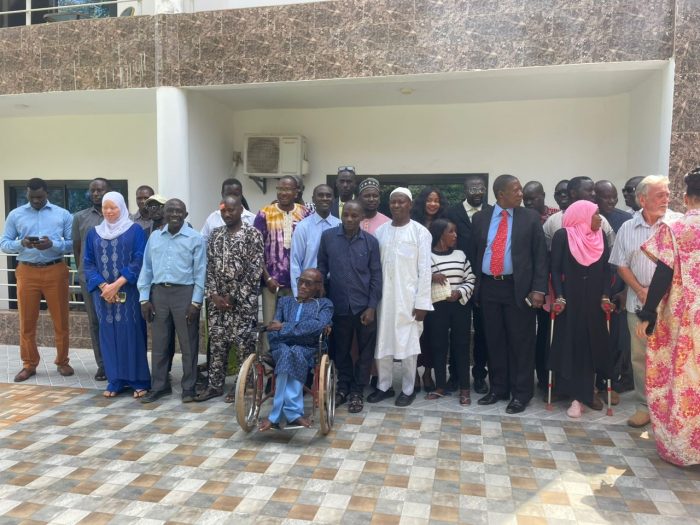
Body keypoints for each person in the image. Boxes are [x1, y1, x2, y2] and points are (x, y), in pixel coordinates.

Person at [634, 168, 700, 466]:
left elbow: (663, 273)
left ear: (686, 199)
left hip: (684, 319)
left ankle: (686, 449)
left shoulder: (675, 228)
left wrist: (647, 314)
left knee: (683, 380)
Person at [609, 175, 682, 428]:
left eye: (667, 194)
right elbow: (621, 264)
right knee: (640, 358)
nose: (666, 199)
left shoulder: (677, 224)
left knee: (673, 357)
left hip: (672, 305)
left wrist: (658, 291)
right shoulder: (627, 228)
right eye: (659, 195)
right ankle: (644, 407)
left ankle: (672, 409)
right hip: (638, 304)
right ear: (642, 200)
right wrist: (641, 290)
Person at [472, 175, 548, 414]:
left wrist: (538, 289)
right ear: (501, 194)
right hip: (489, 287)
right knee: (494, 340)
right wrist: (476, 288)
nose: (521, 194)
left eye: (520, 189)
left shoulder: (530, 217)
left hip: (519, 288)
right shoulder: (480, 218)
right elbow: (476, 252)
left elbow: (540, 256)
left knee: (521, 342)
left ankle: (521, 394)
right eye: (516, 190)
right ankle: (499, 389)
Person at [1, 178, 74, 382]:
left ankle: (63, 361)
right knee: (26, 321)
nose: (35, 200)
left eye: (39, 197)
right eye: (32, 197)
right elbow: (4, 244)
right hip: (27, 271)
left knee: (61, 320)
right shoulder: (15, 214)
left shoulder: (62, 214)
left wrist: (53, 245)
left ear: (47, 193)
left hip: (55, 269)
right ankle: (29, 364)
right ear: (27, 194)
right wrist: (21, 244)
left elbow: (72, 243)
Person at [548, 201, 615, 417]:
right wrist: (559, 295)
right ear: (583, 216)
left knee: (590, 344)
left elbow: (606, 269)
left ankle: (585, 393)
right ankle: (570, 392)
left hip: (594, 300)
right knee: (570, 343)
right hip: (570, 299)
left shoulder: (600, 236)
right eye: (596, 214)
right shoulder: (562, 236)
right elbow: (555, 269)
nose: (600, 219)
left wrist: (605, 294)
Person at [368, 188, 433, 408]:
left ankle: (408, 389)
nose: (396, 205)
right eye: (393, 202)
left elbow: (425, 271)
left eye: (401, 202)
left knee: (408, 344)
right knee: (383, 342)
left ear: (410, 205)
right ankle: (384, 386)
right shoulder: (381, 232)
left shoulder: (420, 232)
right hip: (383, 299)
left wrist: (422, 303)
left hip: (409, 299)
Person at [195, 196, 264, 402]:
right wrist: (214, 295)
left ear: (241, 210)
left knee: (243, 344)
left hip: (243, 302)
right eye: (224, 211)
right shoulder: (215, 235)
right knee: (217, 343)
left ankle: (242, 385)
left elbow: (255, 269)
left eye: (231, 210)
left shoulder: (253, 234)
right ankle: (215, 385)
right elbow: (209, 267)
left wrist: (234, 296)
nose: (227, 214)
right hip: (217, 304)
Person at [83, 192, 150, 398]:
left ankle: (138, 380)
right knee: (108, 334)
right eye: (106, 207)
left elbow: (140, 259)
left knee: (131, 333)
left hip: (129, 291)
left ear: (122, 207)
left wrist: (118, 284)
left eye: (113, 207)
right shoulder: (94, 233)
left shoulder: (134, 230)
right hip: (103, 295)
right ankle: (116, 380)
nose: (109, 211)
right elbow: (88, 263)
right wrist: (104, 286)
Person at [138, 199, 206, 404]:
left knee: (188, 344)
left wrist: (196, 302)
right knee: (159, 344)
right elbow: (146, 268)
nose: (174, 214)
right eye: (170, 210)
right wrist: (144, 298)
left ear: (185, 215)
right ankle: (159, 386)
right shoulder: (155, 237)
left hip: (185, 294)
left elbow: (200, 272)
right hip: (158, 294)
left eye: (179, 211)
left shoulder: (195, 238)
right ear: (164, 213)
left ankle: (189, 388)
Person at [317, 200, 382, 414]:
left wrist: (372, 306)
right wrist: (320, 286)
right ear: (342, 215)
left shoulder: (371, 242)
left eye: (355, 216)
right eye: (346, 215)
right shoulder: (328, 237)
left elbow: (376, 276)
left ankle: (357, 391)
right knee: (341, 351)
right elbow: (322, 265)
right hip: (339, 305)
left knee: (365, 353)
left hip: (364, 307)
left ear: (362, 217)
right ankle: (343, 388)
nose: (349, 219)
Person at [258, 268, 333, 431]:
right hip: (281, 346)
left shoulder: (324, 304)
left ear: (318, 286)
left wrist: (284, 327)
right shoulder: (285, 302)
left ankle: (275, 416)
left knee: (294, 353)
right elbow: (273, 328)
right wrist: (292, 331)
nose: (303, 286)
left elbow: (317, 326)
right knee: (287, 353)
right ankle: (293, 414)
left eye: (309, 283)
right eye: (301, 281)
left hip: (307, 348)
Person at [255, 176, 311, 354]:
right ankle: (268, 363)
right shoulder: (264, 213)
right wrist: (267, 278)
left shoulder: (306, 214)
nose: (284, 193)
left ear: (296, 192)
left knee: (295, 323)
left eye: (288, 189)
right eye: (280, 189)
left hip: (299, 283)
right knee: (270, 324)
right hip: (271, 283)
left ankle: (292, 359)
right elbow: (256, 251)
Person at [425, 219, 475, 406]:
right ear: (440, 234)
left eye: (455, 231)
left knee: (461, 345)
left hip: (459, 305)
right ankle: (440, 386)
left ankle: (465, 389)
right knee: (438, 345)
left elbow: (471, 279)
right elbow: (416, 278)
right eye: (451, 232)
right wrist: (431, 276)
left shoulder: (460, 255)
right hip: (437, 307)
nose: (455, 236)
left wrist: (460, 292)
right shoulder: (426, 256)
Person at [447, 175, 489, 394]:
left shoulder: (492, 211)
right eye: (473, 190)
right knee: (458, 331)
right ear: (465, 191)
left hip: (485, 280)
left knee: (482, 331)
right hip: (457, 278)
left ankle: (480, 375)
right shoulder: (451, 212)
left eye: (481, 189)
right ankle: (455, 375)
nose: (478, 193)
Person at [595, 180, 634, 393]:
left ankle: (610, 383)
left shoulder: (625, 220)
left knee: (617, 339)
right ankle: (592, 383)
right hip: (592, 288)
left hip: (618, 287)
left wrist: (626, 290)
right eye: (606, 197)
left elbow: (632, 259)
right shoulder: (588, 218)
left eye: (614, 197)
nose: (611, 201)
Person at [409, 186, 449, 392]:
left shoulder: (445, 224)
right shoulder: (411, 224)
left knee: (433, 333)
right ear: (422, 202)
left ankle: (428, 373)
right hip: (414, 286)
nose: (433, 204)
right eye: (429, 200)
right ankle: (414, 372)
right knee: (416, 332)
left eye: (436, 200)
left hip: (437, 290)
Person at [522, 180, 560, 394]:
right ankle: (527, 377)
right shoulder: (521, 217)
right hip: (526, 287)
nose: (528, 203)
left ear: (543, 196)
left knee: (546, 334)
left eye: (533, 198)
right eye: (525, 199)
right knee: (526, 335)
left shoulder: (556, 216)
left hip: (551, 288)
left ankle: (546, 379)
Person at [72, 177, 110, 382]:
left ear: (109, 191)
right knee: (95, 322)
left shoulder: (118, 215)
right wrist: (84, 272)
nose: (96, 194)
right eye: (92, 190)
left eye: (100, 190)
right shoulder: (80, 217)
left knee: (117, 321)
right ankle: (102, 365)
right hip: (89, 280)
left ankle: (118, 361)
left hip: (115, 280)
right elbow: (77, 248)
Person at [290, 184, 340, 296]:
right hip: (309, 286)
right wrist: (298, 293)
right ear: (313, 199)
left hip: (335, 286)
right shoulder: (303, 227)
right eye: (320, 195)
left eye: (328, 195)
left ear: (333, 199)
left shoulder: (340, 225)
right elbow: (295, 262)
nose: (325, 198)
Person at [543, 177, 616, 250]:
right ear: (573, 193)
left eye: (594, 190)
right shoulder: (553, 221)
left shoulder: (601, 220)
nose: (594, 194)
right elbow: (546, 251)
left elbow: (612, 249)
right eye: (589, 190)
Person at [201, 179, 255, 244]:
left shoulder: (252, 219)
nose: (232, 198)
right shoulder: (213, 218)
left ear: (241, 195)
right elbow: (203, 242)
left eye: (236, 194)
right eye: (229, 194)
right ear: (222, 194)